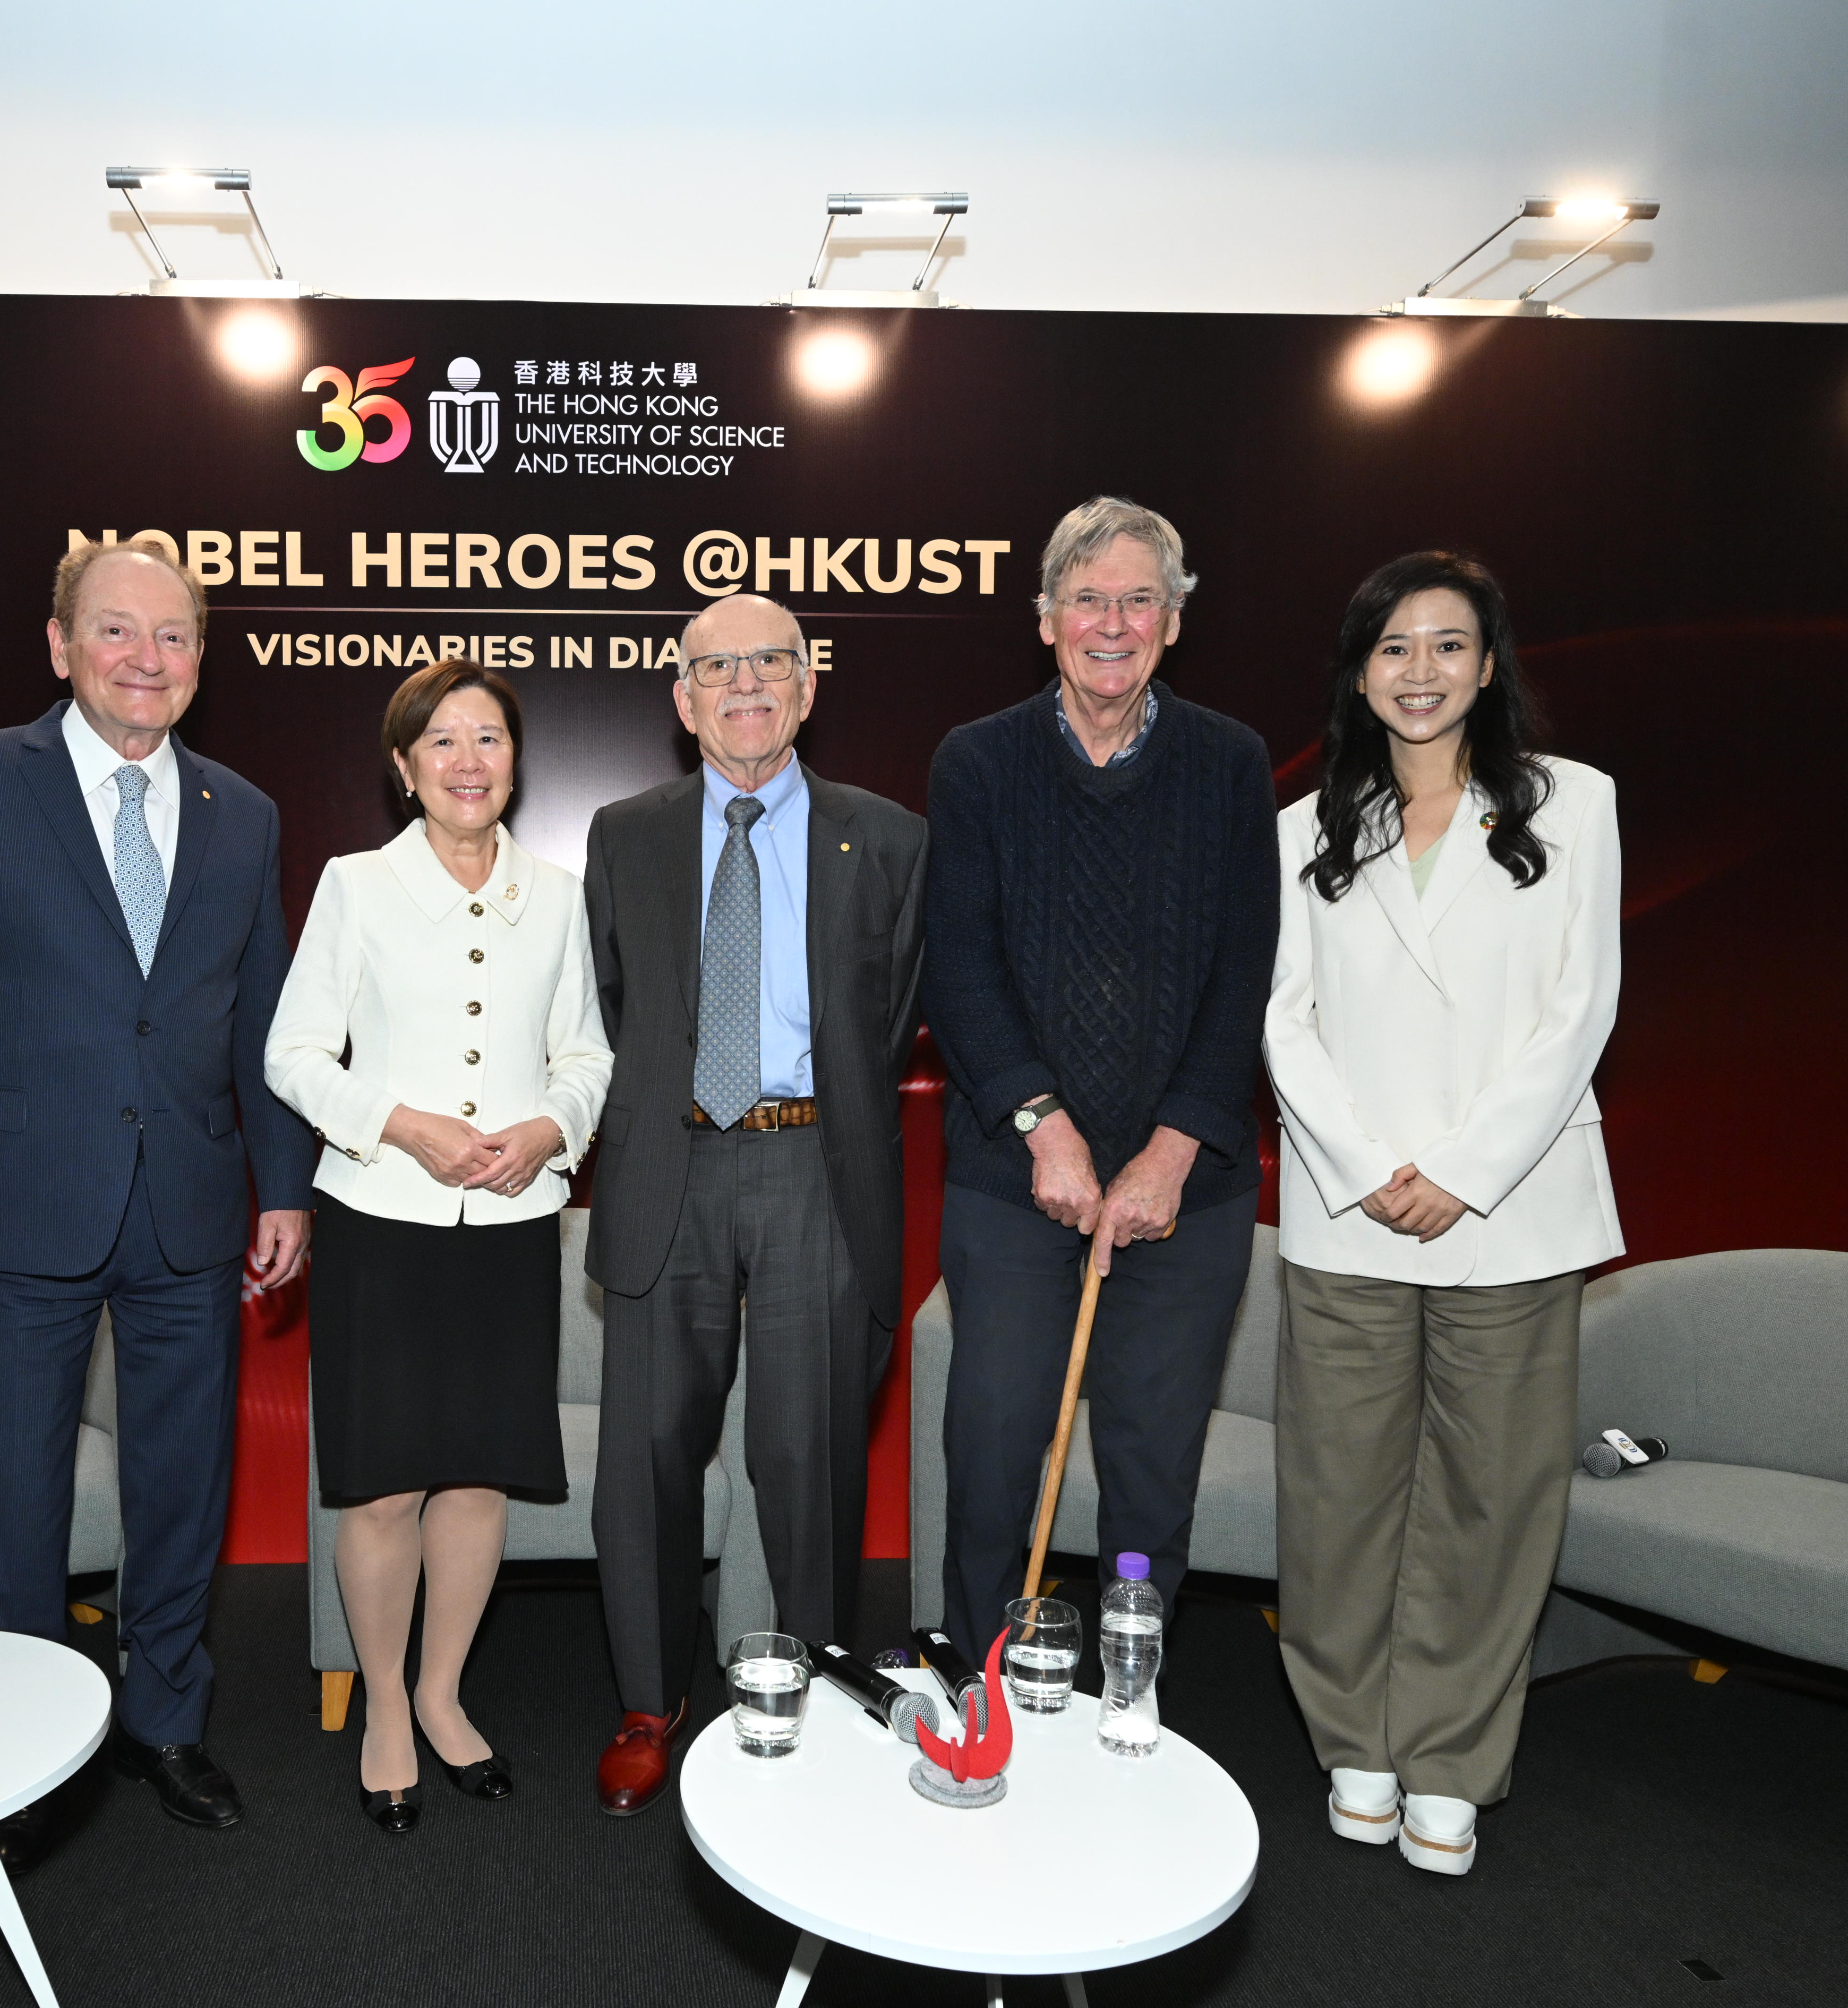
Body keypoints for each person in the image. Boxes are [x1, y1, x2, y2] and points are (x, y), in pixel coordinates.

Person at [0, 538, 313, 1832]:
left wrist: (283, 1186)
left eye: (174, 637)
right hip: (6, 1210)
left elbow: (257, 1017)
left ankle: (166, 1718)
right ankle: (19, 1744)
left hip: (191, 1204)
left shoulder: (245, 810)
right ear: (60, 647)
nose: (147, 659)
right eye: (117, 632)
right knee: (14, 1501)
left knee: (184, 1489)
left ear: (200, 660)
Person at [1263, 550, 1621, 1877]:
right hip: (1348, 1210)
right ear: (1361, 671)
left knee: (1494, 1493)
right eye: (1395, 648)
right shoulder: (1303, 828)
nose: (1421, 672)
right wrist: (1369, 1166)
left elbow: (1582, 1012)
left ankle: (1454, 1758)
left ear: (1488, 664)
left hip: (1511, 1209)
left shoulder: (1576, 807)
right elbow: (1283, 1023)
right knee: (1340, 1492)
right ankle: (1355, 1736)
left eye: (1448, 645)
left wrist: (1465, 1170)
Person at [581, 593, 928, 1817]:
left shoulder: (885, 838)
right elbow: (622, 1010)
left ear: (807, 685)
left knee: (809, 1452)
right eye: (715, 668)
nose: (744, 686)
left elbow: (886, 1024)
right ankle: (647, 1700)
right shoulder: (625, 834)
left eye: (768, 664)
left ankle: (816, 1686)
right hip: (668, 1164)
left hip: (811, 1167)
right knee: (649, 1458)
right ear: (681, 701)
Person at [922, 495, 1277, 1657]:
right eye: (1088, 599)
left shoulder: (1230, 764)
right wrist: (1046, 1129)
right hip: (1013, 1178)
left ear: (1173, 622)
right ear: (1045, 620)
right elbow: (960, 967)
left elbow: (1245, 973)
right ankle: (980, 1679)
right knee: (990, 1451)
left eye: (1138, 600)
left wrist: (1172, 1151)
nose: (1112, 624)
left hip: (1188, 1192)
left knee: (1149, 1466)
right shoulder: (975, 759)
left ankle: (1129, 1680)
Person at [264, 660, 613, 1833]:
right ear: (405, 767)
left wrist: (550, 1128)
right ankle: (385, 1715)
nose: (470, 761)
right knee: (383, 1490)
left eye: (491, 739)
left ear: (517, 762)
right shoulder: (356, 887)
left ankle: (446, 1693)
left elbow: (589, 1058)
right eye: (443, 742)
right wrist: (401, 1124)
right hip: (382, 1223)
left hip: (511, 1227)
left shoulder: (557, 897)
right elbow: (295, 1054)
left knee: (477, 1480)